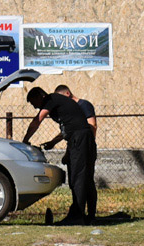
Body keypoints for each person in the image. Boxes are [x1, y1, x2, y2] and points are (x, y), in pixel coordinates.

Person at [23, 86, 96, 224]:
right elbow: (70, 127)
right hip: (78, 139)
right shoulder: (58, 103)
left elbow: (37, 120)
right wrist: (52, 143)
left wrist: (25, 140)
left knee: (78, 179)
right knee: (80, 178)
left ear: (40, 96)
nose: (35, 107)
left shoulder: (50, 99)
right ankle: (85, 216)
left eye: (34, 103)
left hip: (81, 139)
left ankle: (78, 217)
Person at [55, 84, 98, 222]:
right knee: (76, 181)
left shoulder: (83, 105)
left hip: (84, 147)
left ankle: (89, 215)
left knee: (86, 181)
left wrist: (86, 147)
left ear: (67, 93)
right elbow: (69, 131)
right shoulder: (69, 110)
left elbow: (92, 126)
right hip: (75, 147)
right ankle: (79, 212)